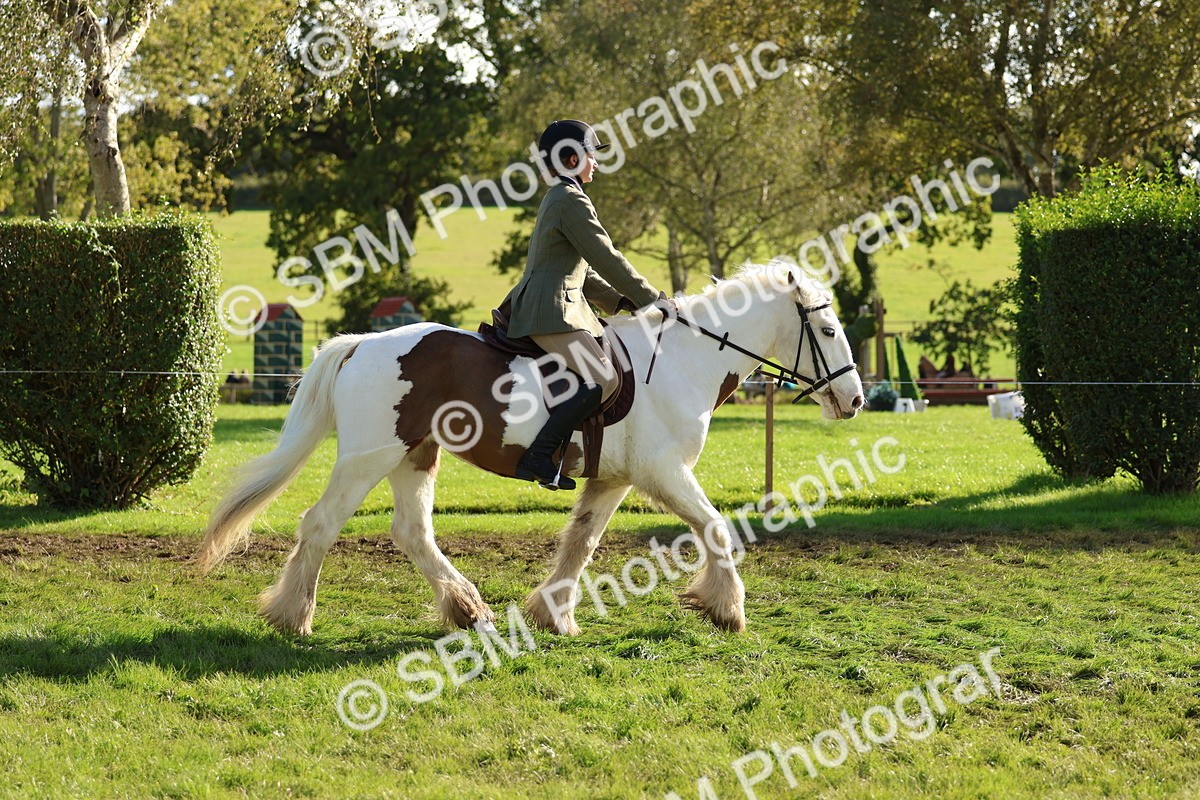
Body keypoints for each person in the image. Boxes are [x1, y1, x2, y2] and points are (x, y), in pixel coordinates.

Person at [502, 119, 665, 490]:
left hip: (555, 305)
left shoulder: (561, 197)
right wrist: (652, 300)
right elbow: (606, 256)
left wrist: (623, 300)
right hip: (550, 311)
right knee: (605, 377)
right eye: (592, 154)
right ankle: (539, 457)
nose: (596, 162)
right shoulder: (570, 200)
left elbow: (584, 272)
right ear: (572, 157)